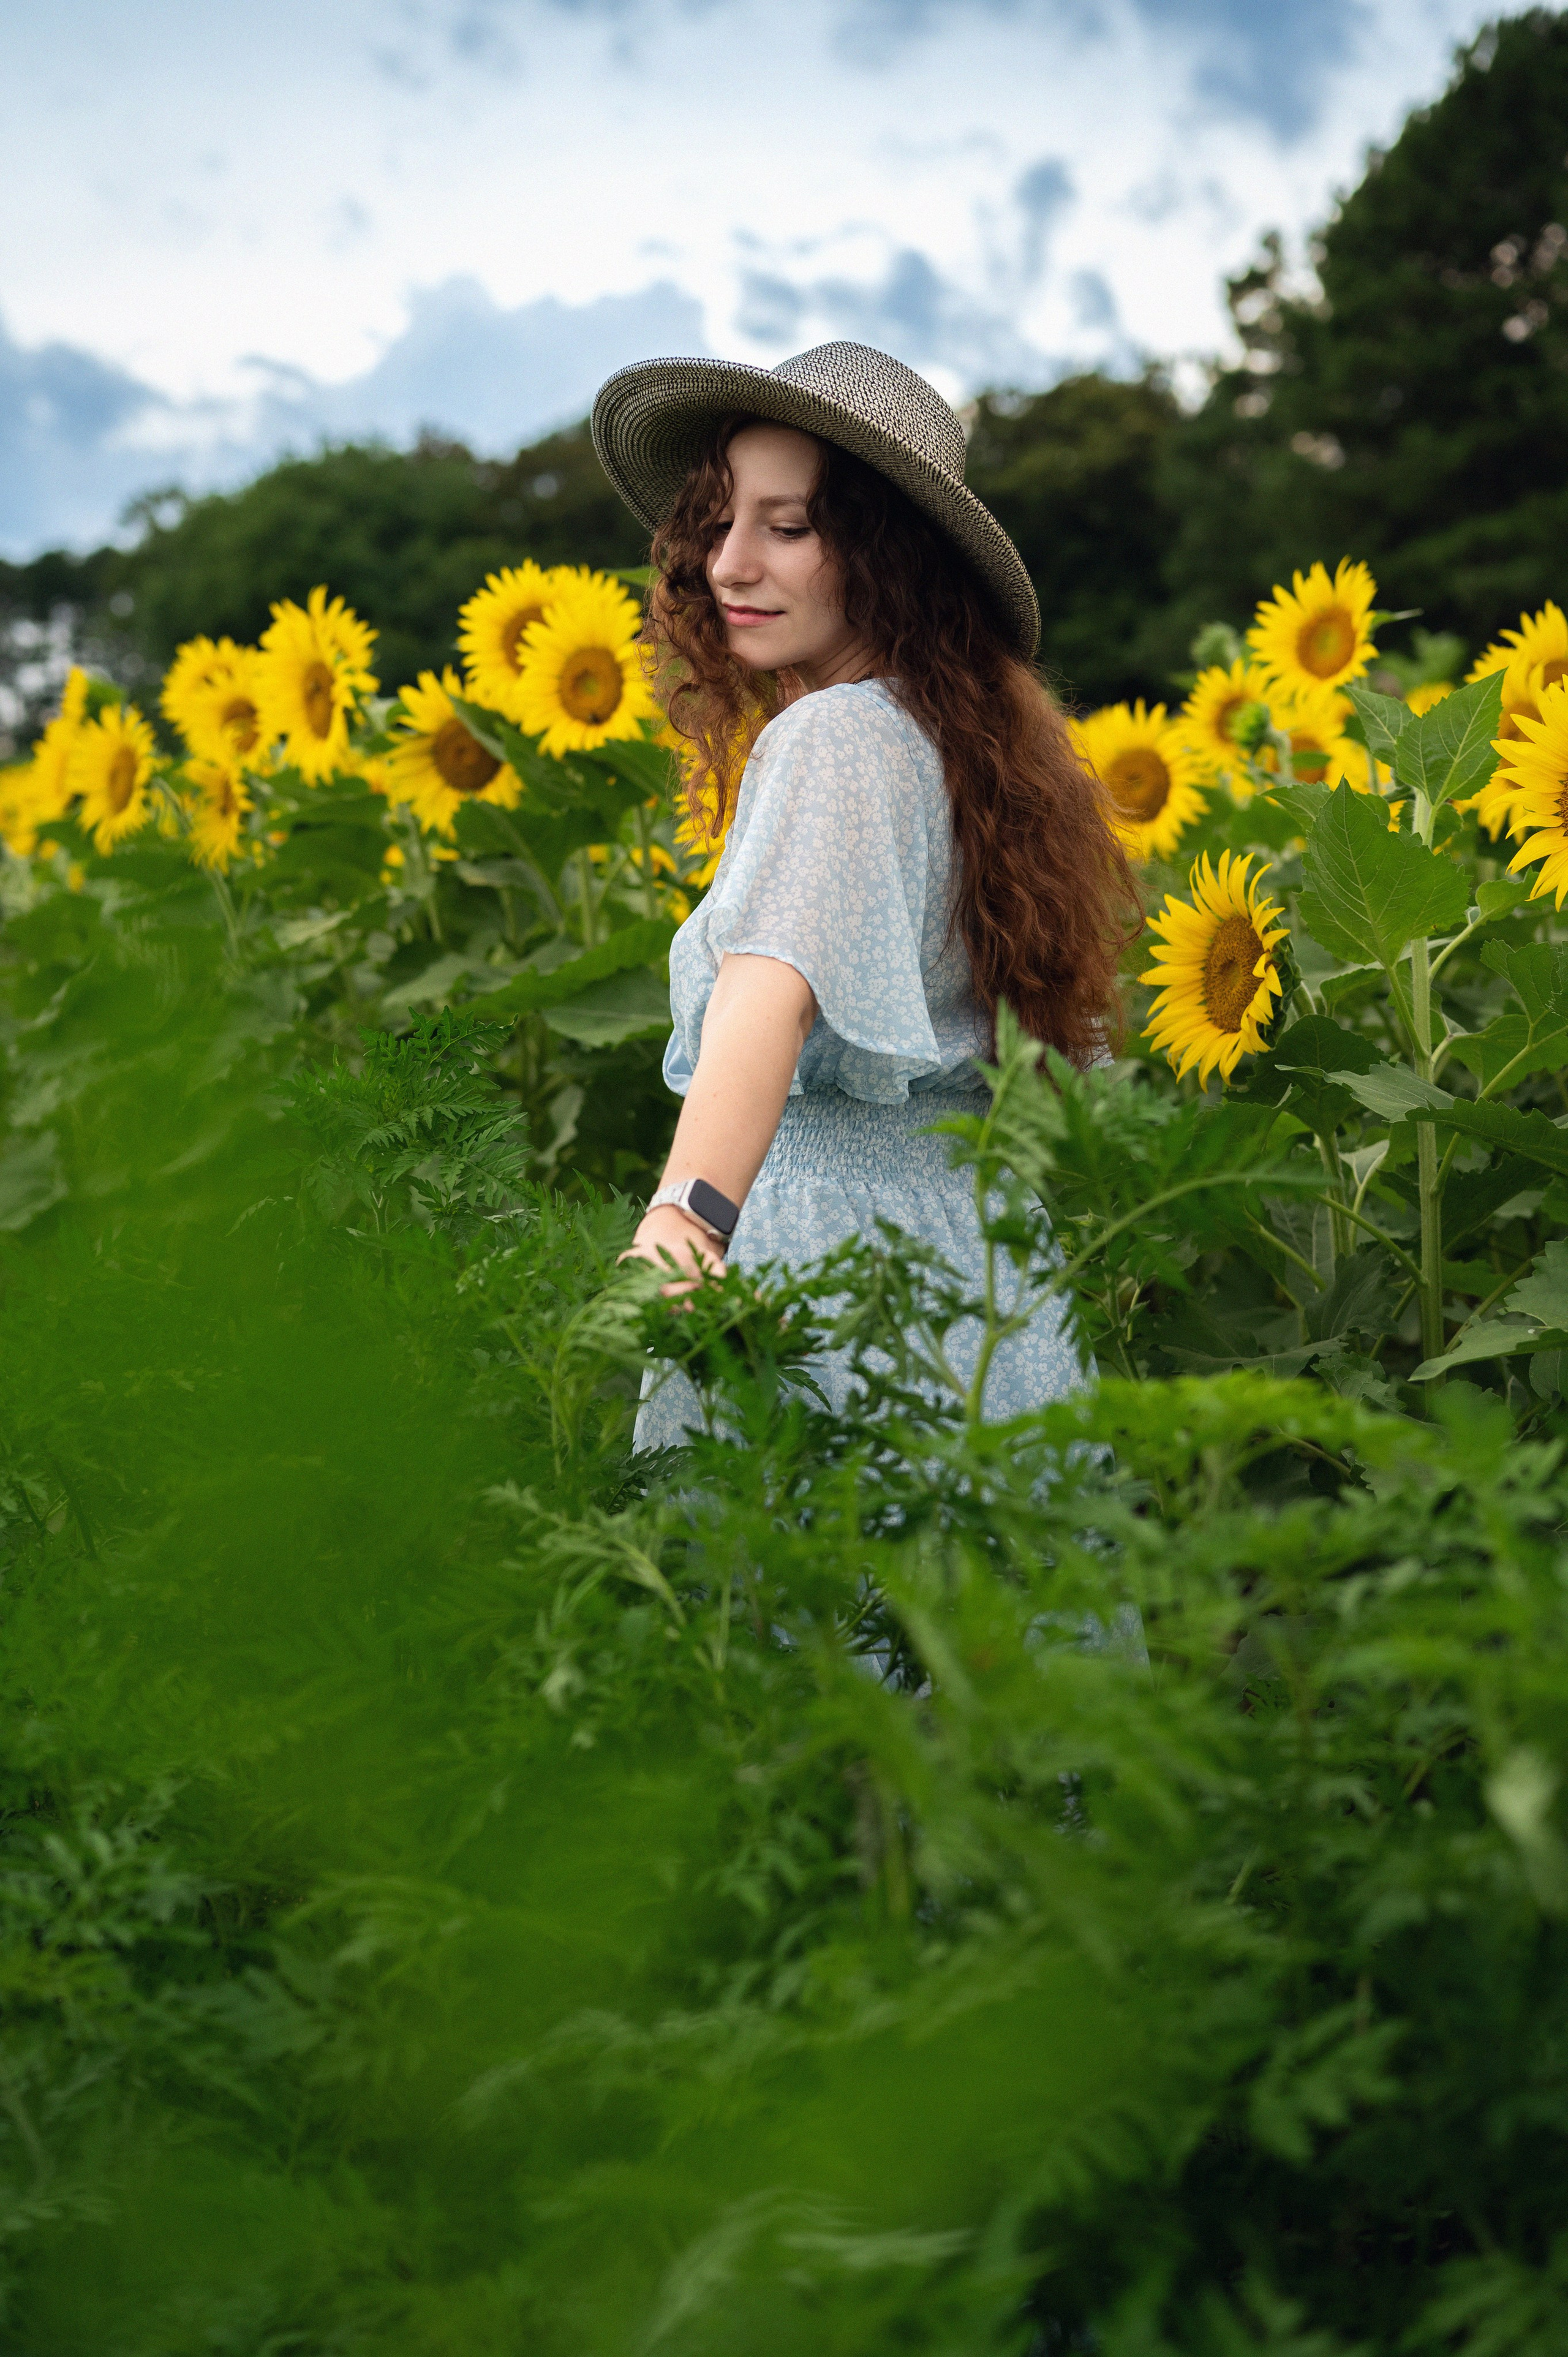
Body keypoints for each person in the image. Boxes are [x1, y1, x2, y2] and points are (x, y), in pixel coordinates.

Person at [590, 341, 1137, 1449]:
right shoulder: (961, 751)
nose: (728, 565)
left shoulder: (833, 737)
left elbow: (770, 989)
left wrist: (686, 1219)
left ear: (891, 557)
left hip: (829, 1271)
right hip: (978, 1273)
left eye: (788, 527)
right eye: (719, 523)